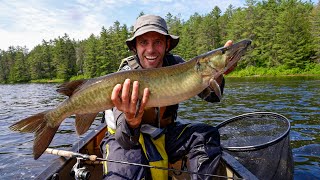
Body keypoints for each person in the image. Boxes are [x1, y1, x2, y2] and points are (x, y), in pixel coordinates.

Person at [100, 14, 233, 180]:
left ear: (167, 44)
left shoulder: (178, 65)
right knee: (123, 174)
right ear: (135, 46)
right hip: (126, 138)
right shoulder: (124, 78)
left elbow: (212, 97)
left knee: (206, 135)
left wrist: (217, 73)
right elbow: (125, 140)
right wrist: (132, 122)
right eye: (143, 42)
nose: (150, 50)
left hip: (163, 133)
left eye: (157, 42)